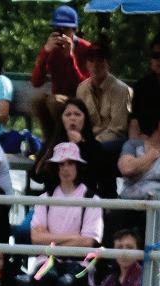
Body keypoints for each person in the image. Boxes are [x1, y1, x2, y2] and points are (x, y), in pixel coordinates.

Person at [30, 5, 93, 143]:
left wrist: (70, 57)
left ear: (74, 29)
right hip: (58, 98)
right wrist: (45, 52)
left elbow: (84, 86)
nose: (61, 34)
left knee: (54, 101)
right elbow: (36, 82)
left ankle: (60, 140)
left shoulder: (86, 48)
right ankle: (48, 141)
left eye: (65, 29)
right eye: (58, 30)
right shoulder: (51, 49)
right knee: (38, 100)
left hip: (79, 99)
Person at [31, 97, 117, 198]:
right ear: (62, 120)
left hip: (84, 202)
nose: (72, 118)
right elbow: (37, 176)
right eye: (68, 114)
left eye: (77, 114)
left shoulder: (95, 147)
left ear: (85, 119)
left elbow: (106, 183)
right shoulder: (52, 144)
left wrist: (82, 145)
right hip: (55, 201)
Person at [29, 143, 103, 250]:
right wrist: (74, 237)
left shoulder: (93, 200)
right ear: (55, 168)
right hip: (46, 260)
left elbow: (88, 242)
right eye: (61, 164)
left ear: (78, 166)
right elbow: (36, 238)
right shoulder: (44, 199)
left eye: (71, 163)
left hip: (77, 260)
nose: (66, 168)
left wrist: (50, 244)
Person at [75, 43, 132, 154]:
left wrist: (91, 145)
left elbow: (118, 130)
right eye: (91, 59)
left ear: (108, 63)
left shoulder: (121, 90)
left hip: (113, 143)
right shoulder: (81, 89)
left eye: (100, 59)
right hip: (88, 142)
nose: (95, 64)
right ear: (86, 64)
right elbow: (80, 123)